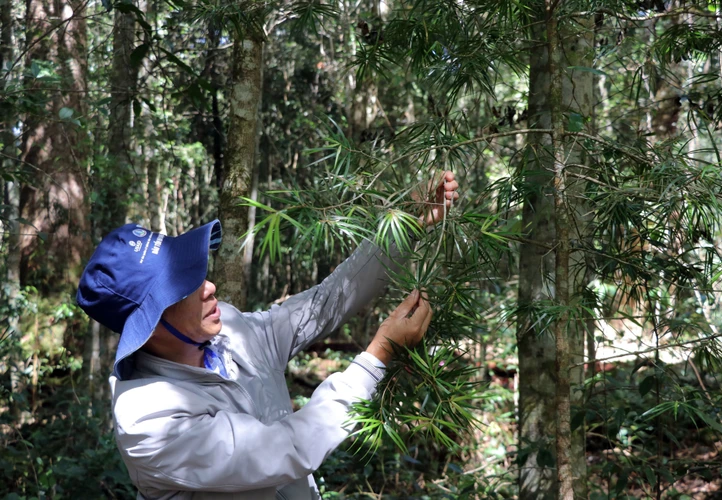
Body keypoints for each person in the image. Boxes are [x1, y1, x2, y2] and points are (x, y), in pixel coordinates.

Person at [76, 173, 459, 500]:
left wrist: (405, 223)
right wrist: (378, 355)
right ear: (151, 323)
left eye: (198, 273)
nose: (208, 288)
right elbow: (289, 447)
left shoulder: (226, 328)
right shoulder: (149, 419)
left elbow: (323, 305)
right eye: (184, 286)